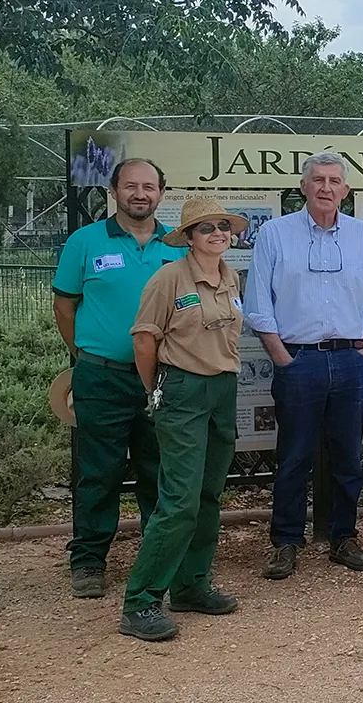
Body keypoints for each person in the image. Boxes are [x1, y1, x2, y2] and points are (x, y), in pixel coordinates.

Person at [244, 152, 363, 580]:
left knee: (349, 457)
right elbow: (257, 302)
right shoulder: (274, 234)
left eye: (335, 181)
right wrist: (281, 356)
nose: (327, 188)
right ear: (303, 186)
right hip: (298, 359)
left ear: (346, 189)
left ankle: (344, 537)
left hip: (350, 360)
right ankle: (286, 542)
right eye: (319, 180)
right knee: (293, 458)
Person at [118, 195, 249, 642]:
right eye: (207, 228)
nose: (218, 233)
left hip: (222, 390)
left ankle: (191, 586)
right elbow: (143, 340)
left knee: (209, 493)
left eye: (223, 227)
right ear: (189, 238)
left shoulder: (230, 277)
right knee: (179, 500)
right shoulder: (169, 278)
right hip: (182, 388)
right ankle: (140, 601)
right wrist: (159, 390)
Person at [52, 158, 183, 599]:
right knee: (98, 473)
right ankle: (88, 560)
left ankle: (157, 561)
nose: (140, 194)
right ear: (114, 190)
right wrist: (88, 354)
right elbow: (64, 306)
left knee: (158, 471)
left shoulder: (177, 247)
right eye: (131, 186)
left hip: (163, 379)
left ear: (162, 193)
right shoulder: (84, 242)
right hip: (102, 378)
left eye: (149, 186)